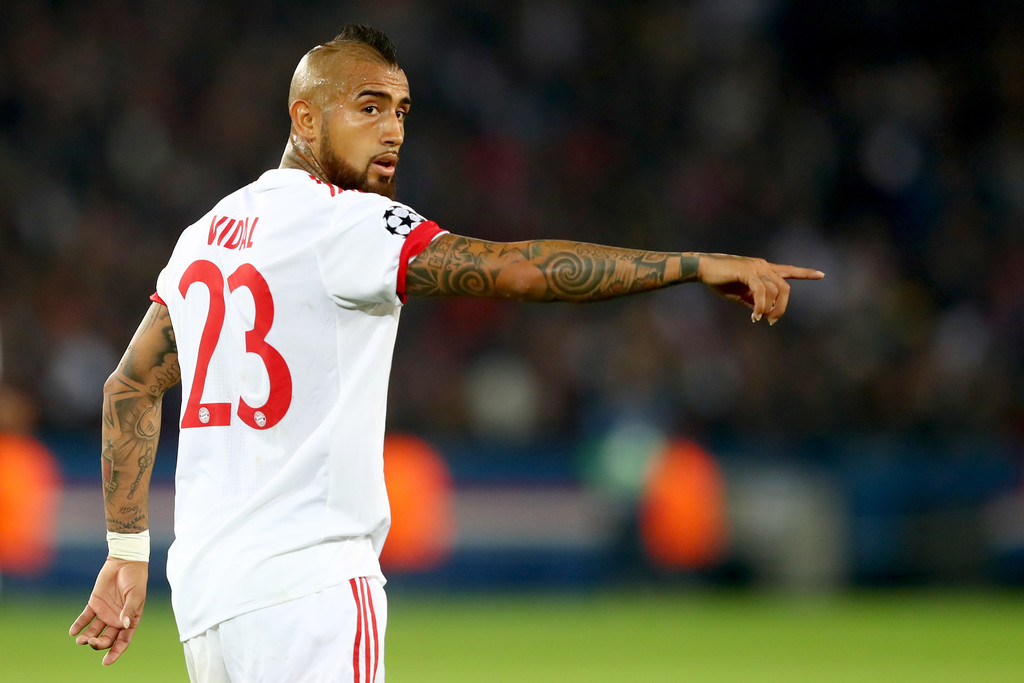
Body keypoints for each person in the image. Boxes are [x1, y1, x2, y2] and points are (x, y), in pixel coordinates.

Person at [70, 24, 823, 682]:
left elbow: (128, 388)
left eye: (401, 111)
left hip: (209, 597)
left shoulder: (203, 236)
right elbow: (518, 269)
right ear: (304, 116)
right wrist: (692, 265)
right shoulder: (347, 223)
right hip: (311, 586)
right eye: (369, 108)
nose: (392, 130)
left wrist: (126, 551)